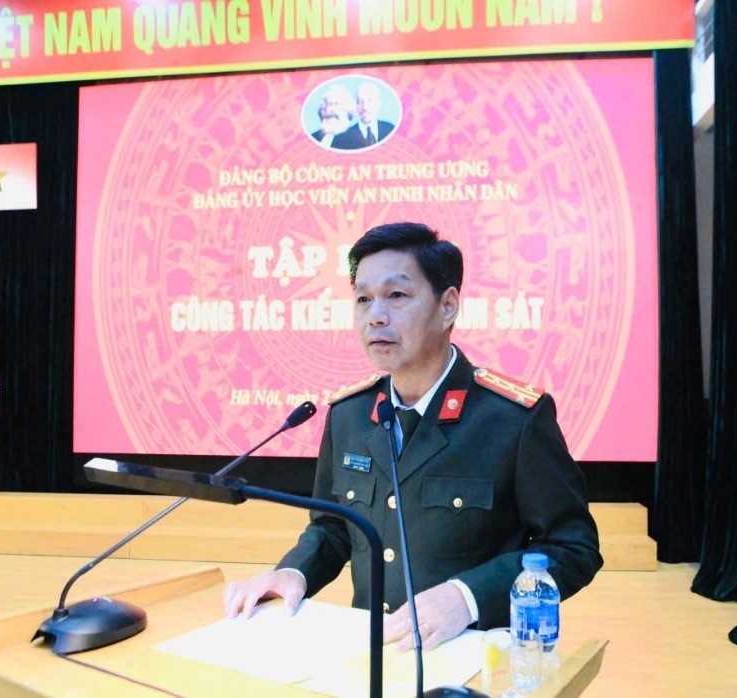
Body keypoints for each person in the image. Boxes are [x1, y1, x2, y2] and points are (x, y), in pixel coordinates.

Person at [224, 222, 602, 651]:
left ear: (448, 306)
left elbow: (574, 547)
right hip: (374, 655)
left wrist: (467, 597)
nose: (375, 315)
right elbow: (333, 527)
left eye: (397, 295)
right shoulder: (349, 415)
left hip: (474, 658)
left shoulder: (513, 419)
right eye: (363, 299)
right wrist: (293, 572)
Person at [336, 82, 395, 149]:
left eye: (370, 101)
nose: (365, 107)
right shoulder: (342, 138)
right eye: (360, 102)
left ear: (378, 104)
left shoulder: (390, 129)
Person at [310, 83, 357, 150]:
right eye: (326, 105)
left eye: (336, 104)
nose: (329, 110)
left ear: (348, 111)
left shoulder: (356, 140)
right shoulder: (313, 137)